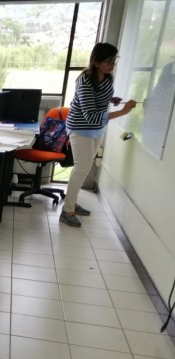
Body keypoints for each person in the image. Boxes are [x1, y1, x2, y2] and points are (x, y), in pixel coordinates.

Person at [61, 43, 136, 227]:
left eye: (114, 60)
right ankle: (67, 210)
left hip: (96, 128)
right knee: (81, 168)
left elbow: (100, 98)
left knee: (84, 168)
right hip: (80, 128)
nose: (112, 64)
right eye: (108, 61)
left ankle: (72, 202)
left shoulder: (107, 78)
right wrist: (124, 112)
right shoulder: (85, 80)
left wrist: (112, 99)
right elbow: (91, 114)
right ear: (95, 62)